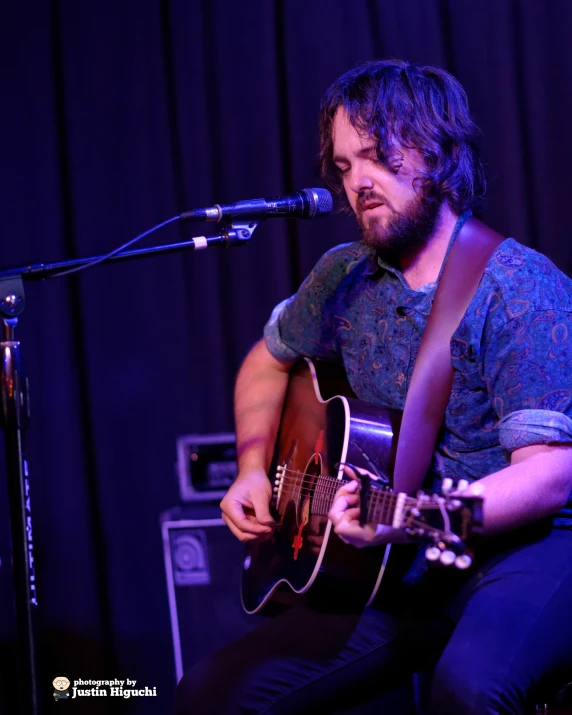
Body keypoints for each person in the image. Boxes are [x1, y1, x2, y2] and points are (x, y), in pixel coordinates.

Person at [176, 59, 572, 715]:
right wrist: (252, 468)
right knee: (210, 694)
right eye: (343, 165)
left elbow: (551, 474)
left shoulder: (522, 287)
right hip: (403, 564)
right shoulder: (343, 277)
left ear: (439, 153)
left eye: (378, 157)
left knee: (470, 691)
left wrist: (409, 516)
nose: (358, 182)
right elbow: (266, 361)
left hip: (527, 551)